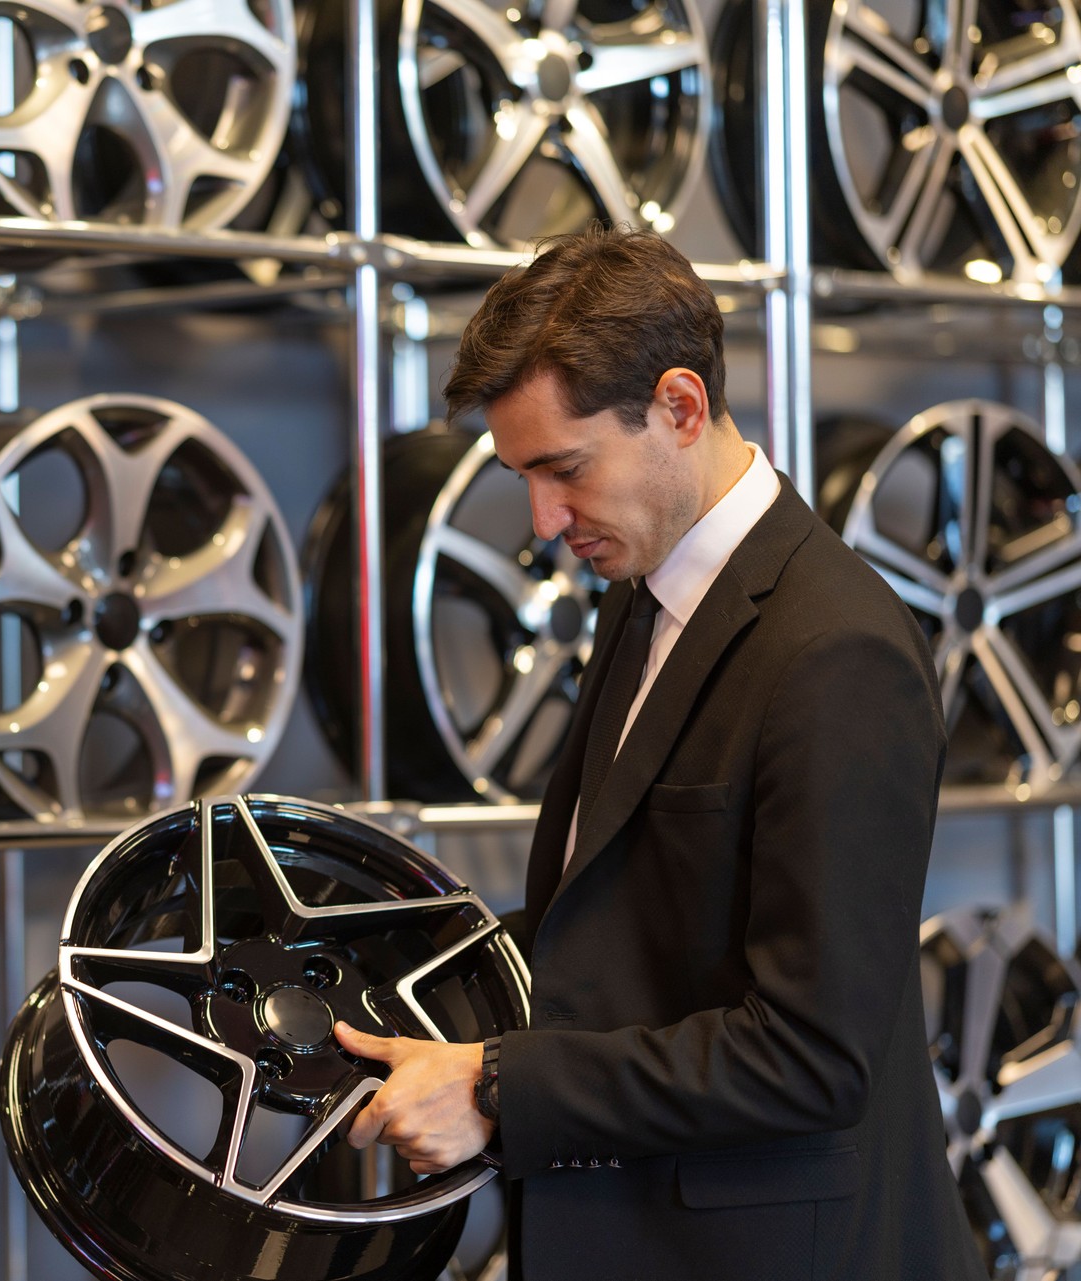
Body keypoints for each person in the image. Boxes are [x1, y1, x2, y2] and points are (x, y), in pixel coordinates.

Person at [332, 225, 982, 1280]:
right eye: (523, 478)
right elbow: (622, 927)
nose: (544, 521)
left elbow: (813, 1058)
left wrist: (498, 1088)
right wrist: (388, 985)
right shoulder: (643, 594)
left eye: (564, 470)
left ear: (679, 407)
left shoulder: (838, 652)